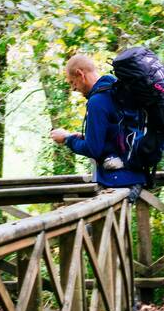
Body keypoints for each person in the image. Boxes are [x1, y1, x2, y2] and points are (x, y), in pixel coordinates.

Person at [49, 53, 146, 201]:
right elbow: (117, 133)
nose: (73, 88)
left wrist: (67, 139)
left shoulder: (98, 101)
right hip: (134, 177)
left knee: (100, 223)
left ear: (80, 74)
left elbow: (93, 149)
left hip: (115, 183)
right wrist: (83, 137)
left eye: (72, 82)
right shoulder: (116, 90)